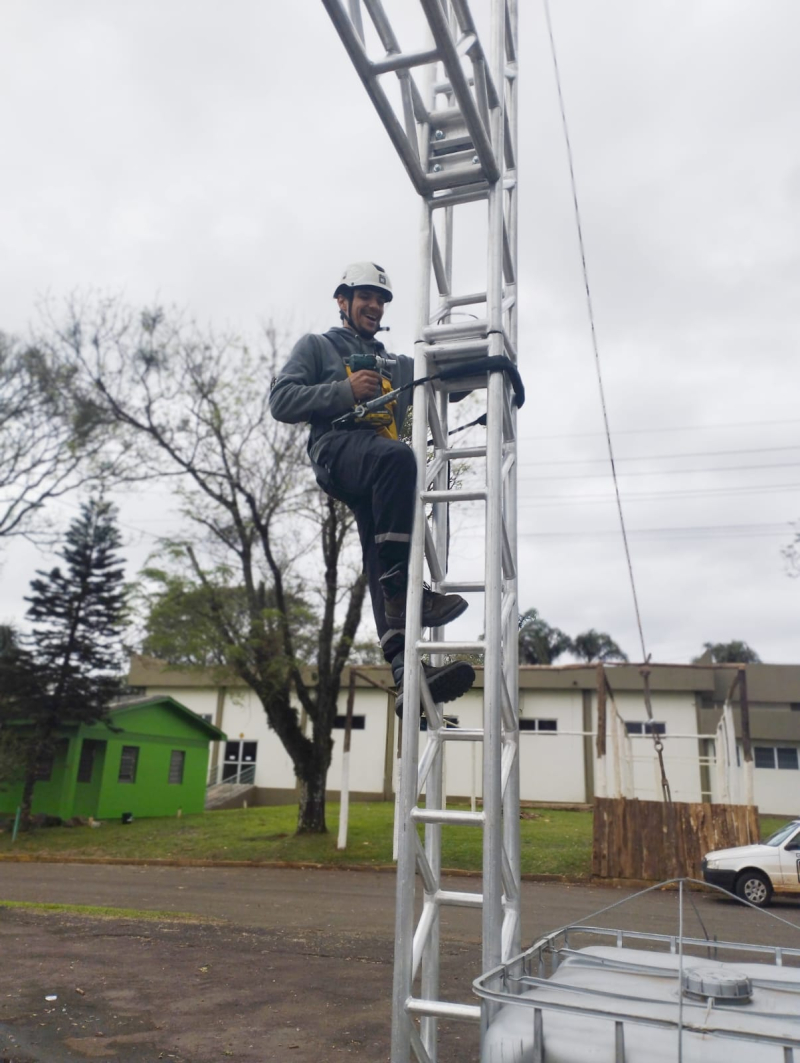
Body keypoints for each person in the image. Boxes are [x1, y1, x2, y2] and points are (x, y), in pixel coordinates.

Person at [269, 261, 475, 715]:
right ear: (343, 301)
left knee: (382, 553)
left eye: (380, 300)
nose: (374, 306)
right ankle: (405, 594)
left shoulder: (397, 365)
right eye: (365, 297)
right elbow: (281, 400)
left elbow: (444, 382)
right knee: (401, 459)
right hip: (338, 449)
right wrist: (343, 390)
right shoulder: (319, 346)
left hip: (379, 470)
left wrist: (490, 359)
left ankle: (408, 675)